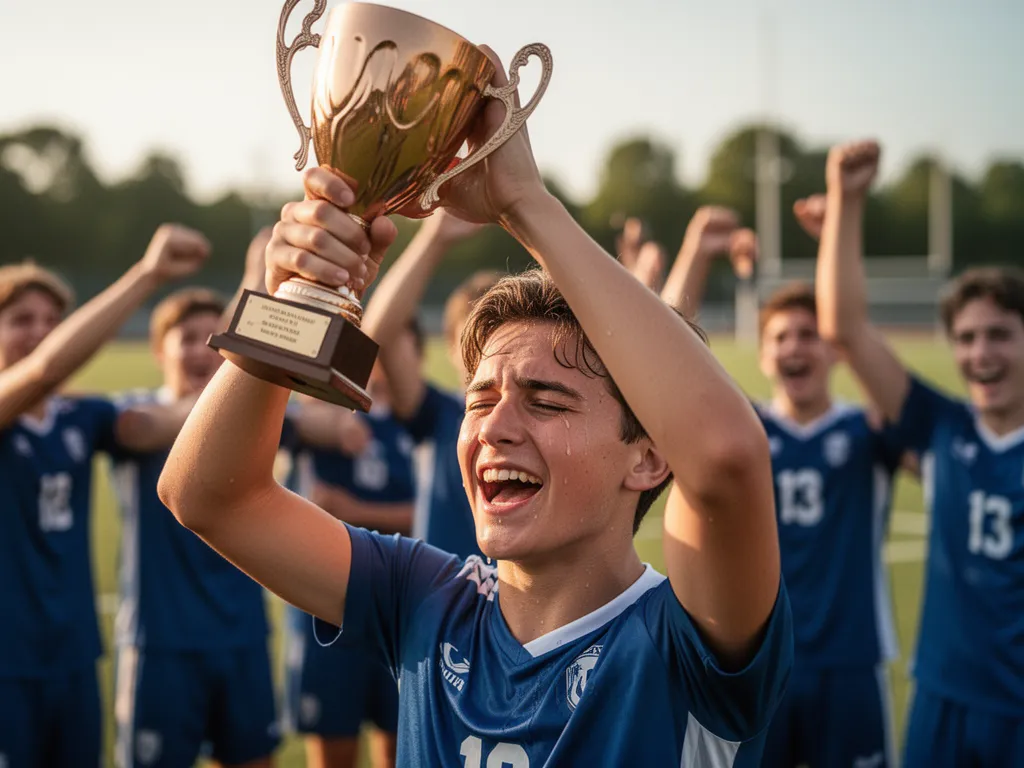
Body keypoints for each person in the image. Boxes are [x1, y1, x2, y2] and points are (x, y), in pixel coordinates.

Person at [158, 50, 793, 765]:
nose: (493, 425)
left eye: (545, 402)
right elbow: (208, 496)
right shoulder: (425, 598)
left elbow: (726, 458)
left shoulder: (689, 643)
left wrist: (526, 205)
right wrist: (294, 304)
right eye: (479, 398)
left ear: (648, 456)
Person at [109, 229, 369, 768]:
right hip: (162, 643)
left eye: (215, 336)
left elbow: (336, 425)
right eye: (188, 337)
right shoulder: (137, 411)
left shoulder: (252, 423)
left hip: (242, 634)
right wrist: (249, 348)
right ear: (159, 350)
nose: (205, 349)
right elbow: (140, 429)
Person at [660, 205, 905, 767]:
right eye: (782, 336)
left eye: (810, 334)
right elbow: (667, 355)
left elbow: (857, 330)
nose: (796, 346)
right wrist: (697, 250)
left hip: (849, 662)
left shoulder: (867, 430)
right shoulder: (743, 432)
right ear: (764, 353)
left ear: (834, 350)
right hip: (758, 661)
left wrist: (836, 241)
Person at [814, 138, 1024, 768]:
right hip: (942, 696)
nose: (979, 353)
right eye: (965, 338)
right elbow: (844, 329)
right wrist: (847, 202)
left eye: (999, 335)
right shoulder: (942, 425)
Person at [0, 224, 210, 768]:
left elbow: (174, 418)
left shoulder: (80, 416)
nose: (41, 332)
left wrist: (263, 335)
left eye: (52, 320)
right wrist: (149, 274)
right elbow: (46, 367)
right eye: (22, 320)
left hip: (72, 654)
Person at [283, 325, 420, 768]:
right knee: (332, 747)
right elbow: (296, 413)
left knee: (402, 747)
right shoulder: (318, 413)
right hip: (326, 613)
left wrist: (355, 509)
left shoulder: (419, 420)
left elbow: (434, 513)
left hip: (401, 610)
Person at [360, 212, 498, 560]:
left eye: (499, 337)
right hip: (445, 603)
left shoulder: (548, 420)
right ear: (450, 347)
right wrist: (433, 238)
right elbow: (379, 336)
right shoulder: (441, 413)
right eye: (472, 338)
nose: (487, 353)